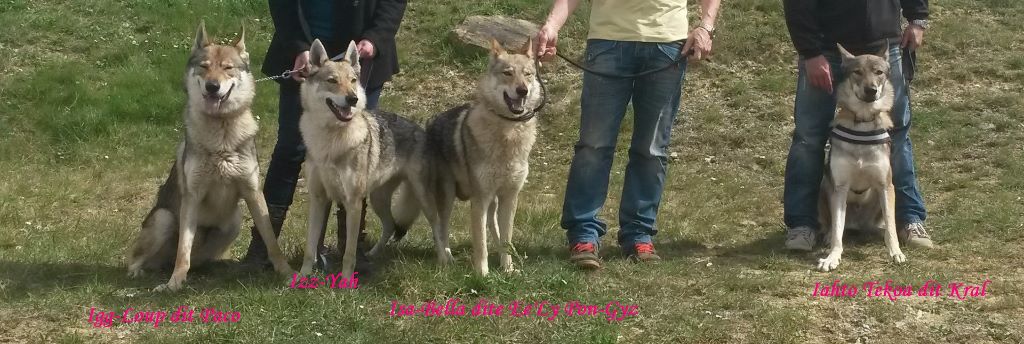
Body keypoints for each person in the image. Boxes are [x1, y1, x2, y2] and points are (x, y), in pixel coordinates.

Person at [535, 0, 722, 269]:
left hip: (668, 45)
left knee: (652, 148)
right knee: (594, 145)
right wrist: (551, 26)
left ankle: (639, 233)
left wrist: (705, 26)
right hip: (608, 41)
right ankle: (583, 234)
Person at [242, 0, 408, 274]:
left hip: (360, 58)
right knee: (289, 150)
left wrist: (375, 38)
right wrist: (298, 46)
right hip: (306, 57)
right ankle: (262, 248)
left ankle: (351, 251)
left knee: (357, 160)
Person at [782, 0, 935, 251]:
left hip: (885, 44)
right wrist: (809, 51)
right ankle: (803, 224)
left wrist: (918, 19)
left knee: (897, 135)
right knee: (809, 137)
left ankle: (909, 219)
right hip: (825, 47)